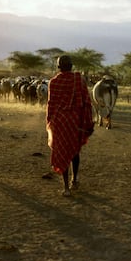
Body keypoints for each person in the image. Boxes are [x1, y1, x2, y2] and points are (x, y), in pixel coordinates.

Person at [46, 55, 94, 196]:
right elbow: (86, 102)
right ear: (71, 66)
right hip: (74, 121)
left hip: (59, 122)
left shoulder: (53, 82)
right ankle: (74, 180)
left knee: (62, 151)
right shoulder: (79, 80)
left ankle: (66, 187)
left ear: (59, 67)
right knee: (74, 150)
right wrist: (88, 122)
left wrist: (49, 122)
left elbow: (50, 104)